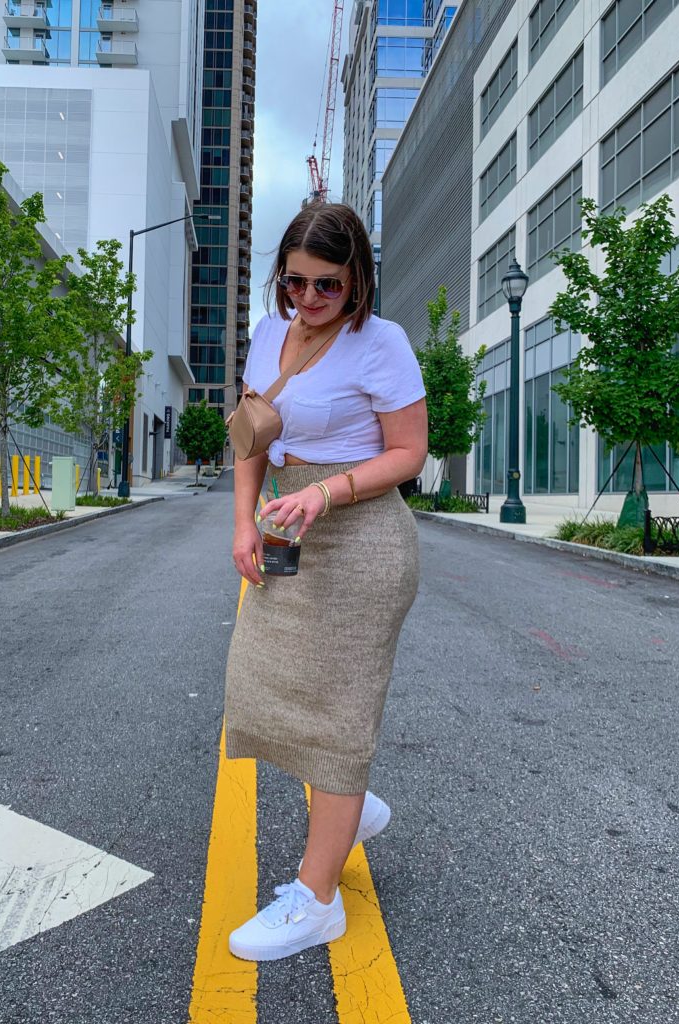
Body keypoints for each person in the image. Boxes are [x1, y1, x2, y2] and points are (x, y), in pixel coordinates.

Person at [224, 202, 427, 962]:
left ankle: (316, 901)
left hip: (362, 537)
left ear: (358, 283)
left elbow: (408, 453)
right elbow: (251, 435)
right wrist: (244, 522)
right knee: (262, 684)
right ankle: (353, 801)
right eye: (294, 283)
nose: (306, 301)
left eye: (326, 288)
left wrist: (327, 491)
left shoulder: (382, 343)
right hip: (285, 526)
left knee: (338, 715)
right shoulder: (272, 334)